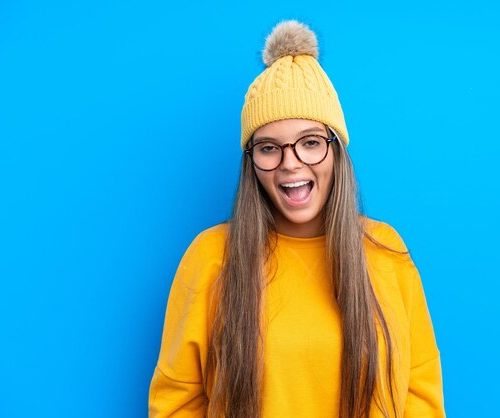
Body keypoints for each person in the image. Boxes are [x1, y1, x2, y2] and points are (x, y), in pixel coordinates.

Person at [148, 20, 445, 418]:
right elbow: (176, 402)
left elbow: (420, 395)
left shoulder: (386, 251)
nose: (291, 164)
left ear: (336, 150)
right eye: (269, 147)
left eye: (310, 143)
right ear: (251, 161)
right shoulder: (209, 258)